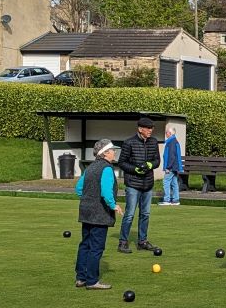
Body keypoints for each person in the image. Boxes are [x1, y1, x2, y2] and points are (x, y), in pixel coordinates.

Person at [113, 116, 162, 256]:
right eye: (148, 128)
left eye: (152, 128)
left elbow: (157, 160)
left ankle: (142, 241)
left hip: (148, 184)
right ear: (140, 129)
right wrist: (135, 169)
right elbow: (122, 162)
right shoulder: (129, 143)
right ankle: (123, 241)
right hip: (133, 184)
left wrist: (150, 164)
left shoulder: (153, 142)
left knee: (145, 214)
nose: (150, 130)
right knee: (129, 214)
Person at [73, 140, 118, 290]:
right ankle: (92, 281)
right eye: (112, 150)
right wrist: (113, 205)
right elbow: (106, 191)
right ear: (105, 153)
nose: (114, 152)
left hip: (86, 211)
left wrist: (89, 199)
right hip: (99, 214)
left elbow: (79, 188)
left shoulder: (90, 167)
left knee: (85, 244)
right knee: (96, 247)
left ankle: (81, 278)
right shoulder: (107, 168)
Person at [158, 125, 184, 206]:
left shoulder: (171, 142)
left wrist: (168, 167)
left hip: (171, 167)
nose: (166, 134)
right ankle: (176, 200)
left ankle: (166, 200)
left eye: (166, 132)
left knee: (166, 182)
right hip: (175, 167)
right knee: (174, 183)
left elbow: (171, 156)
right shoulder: (174, 141)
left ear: (169, 133)